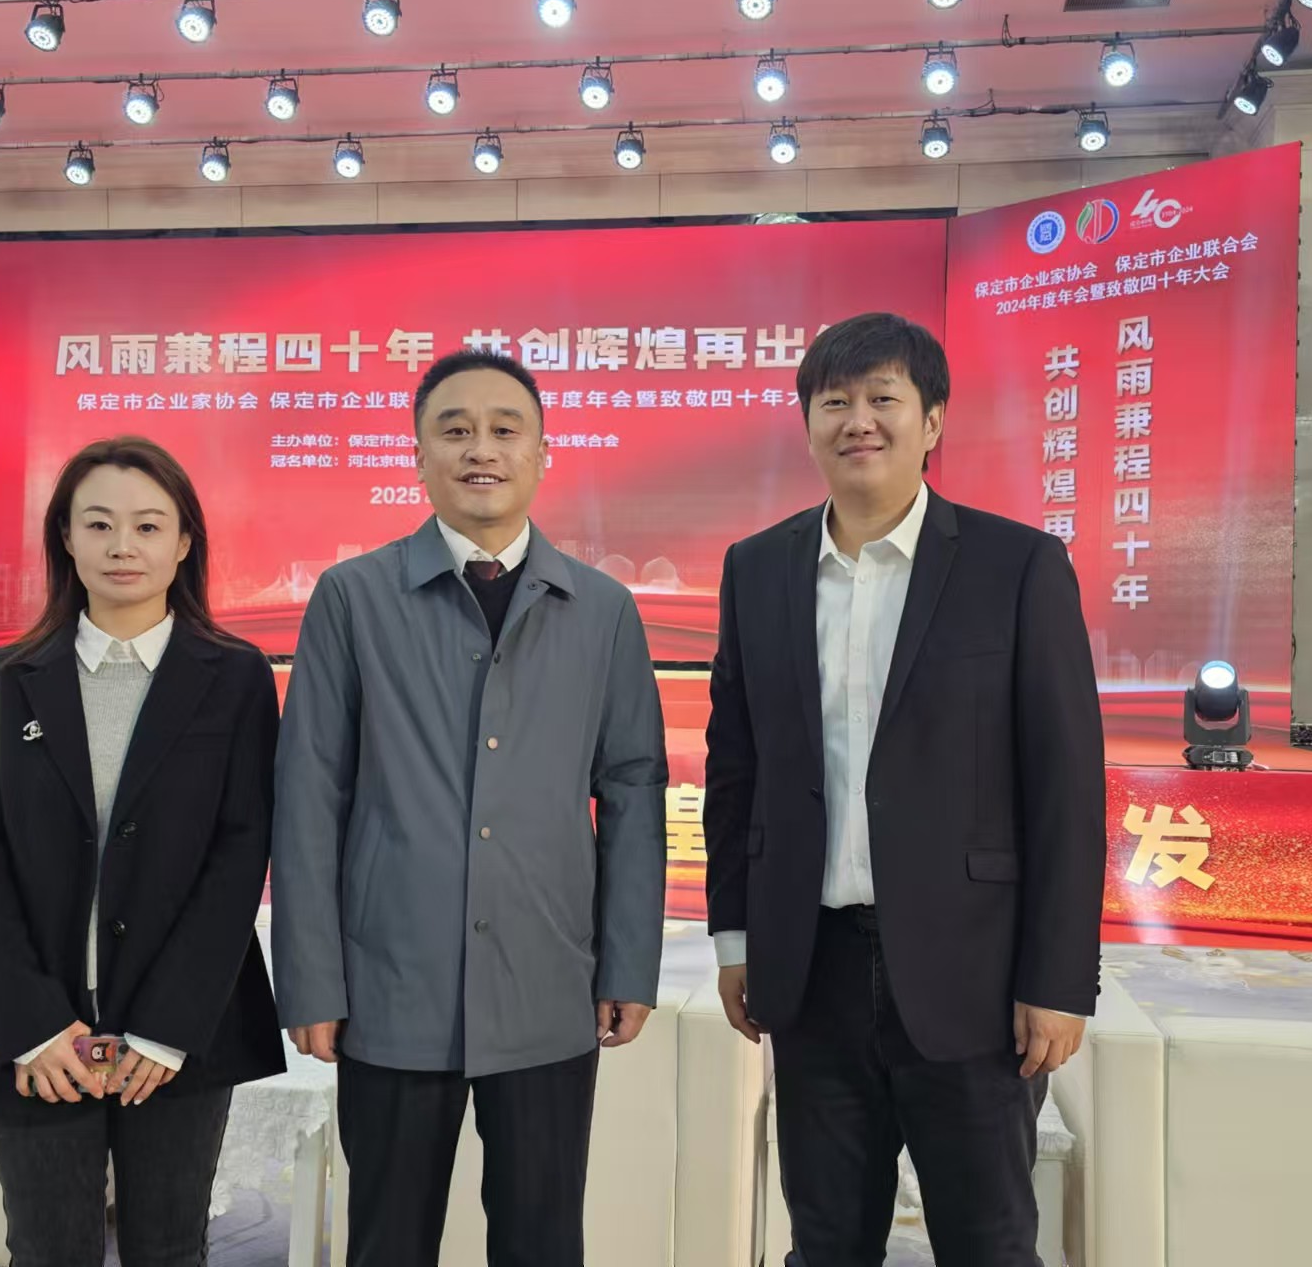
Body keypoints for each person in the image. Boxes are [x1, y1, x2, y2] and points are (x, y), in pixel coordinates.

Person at [703, 313, 1106, 1266]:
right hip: (813, 971)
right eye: (834, 401)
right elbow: (736, 765)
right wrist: (736, 935)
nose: (858, 420)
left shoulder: (1017, 566)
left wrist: (1057, 981)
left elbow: (1064, 787)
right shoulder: (756, 568)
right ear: (807, 423)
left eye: (883, 398)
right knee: (825, 1241)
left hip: (974, 977)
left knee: (988, 1243)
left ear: (931, 421)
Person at [274, 349, 667, 1267]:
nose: (479, 448)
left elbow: (632, 788)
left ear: (541, 453)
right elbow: (308, 795)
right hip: (390, 987)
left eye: (504, 428)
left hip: (546, 984)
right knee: (387, 1241)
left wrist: (627, 964)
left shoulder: (602, 609)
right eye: (454, 430)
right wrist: (313, 980)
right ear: (418, 455)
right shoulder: (353, 598)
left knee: (541, 1242)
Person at [0, 435, 286, 1267]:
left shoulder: (236, 676)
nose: (122, 545)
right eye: (98, 524)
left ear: (184, 540)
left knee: (168, 1248)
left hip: (178, 1027)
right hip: (40, 1028)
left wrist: (166, 1029)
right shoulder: (8, 678)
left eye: (147, 525)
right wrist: (31, 1024)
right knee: (46, 1248)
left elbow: (239, 854)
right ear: (65, 537)